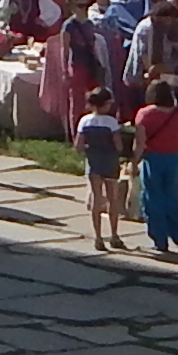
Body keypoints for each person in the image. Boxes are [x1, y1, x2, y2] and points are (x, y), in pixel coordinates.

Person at [133, 77, 178, 254]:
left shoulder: (144, 114)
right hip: (174, 158)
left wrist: (134, 161)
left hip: (153, 158)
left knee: (153, 198)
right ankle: (177, 232)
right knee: (172, 195)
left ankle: (159, 238)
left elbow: (140, 143)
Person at [75, 84, 131, 249]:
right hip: (110, 162)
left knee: (96, 198)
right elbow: (118, 145)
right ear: (105, 104)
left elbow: (78, 145)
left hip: (93, 162)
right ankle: (114, 235)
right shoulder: (111, 122)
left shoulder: (84, 121)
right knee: (112, 199)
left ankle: (98, 237)